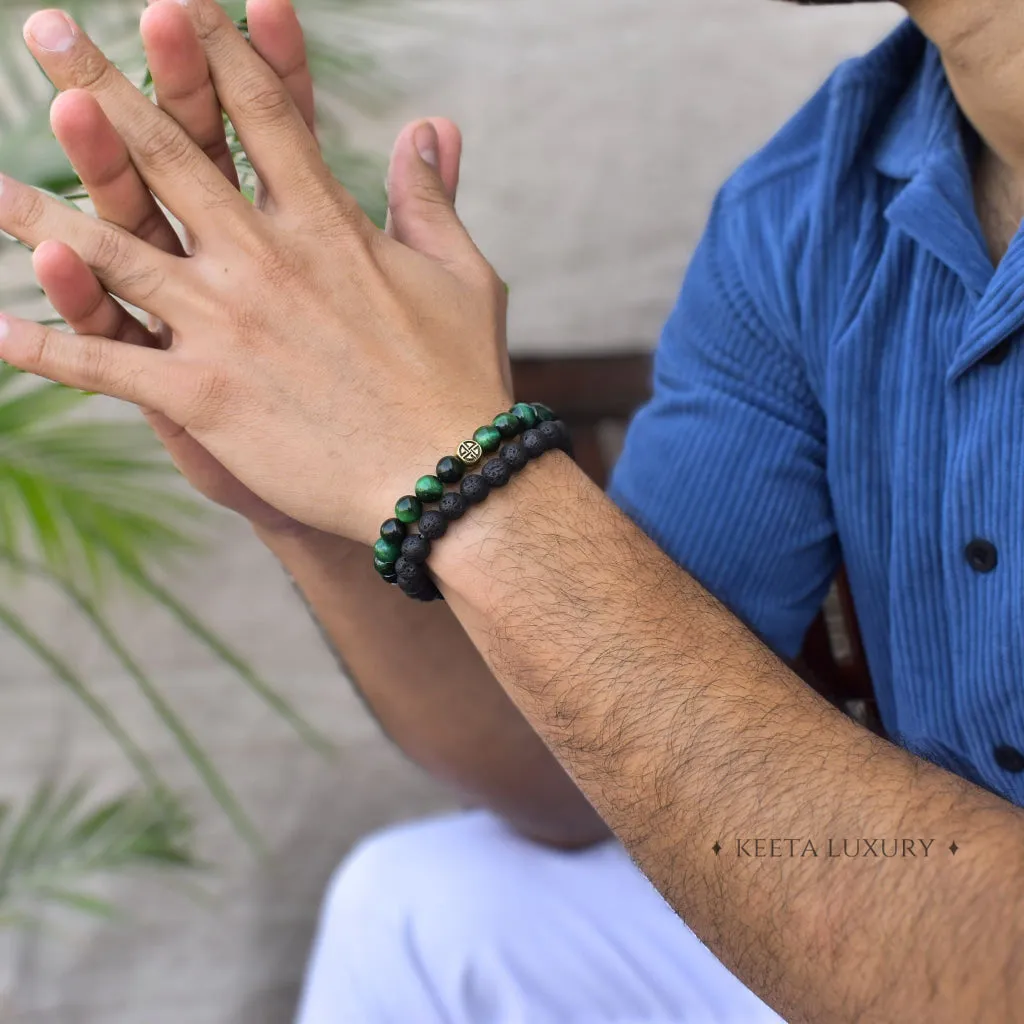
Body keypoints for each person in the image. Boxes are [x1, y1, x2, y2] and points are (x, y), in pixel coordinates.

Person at [0, 0, 1022, 1019]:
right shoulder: (808, 200)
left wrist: (455, 470)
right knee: (427, 910)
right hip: (903, 900)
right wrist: (317, 496)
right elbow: (597, 771)